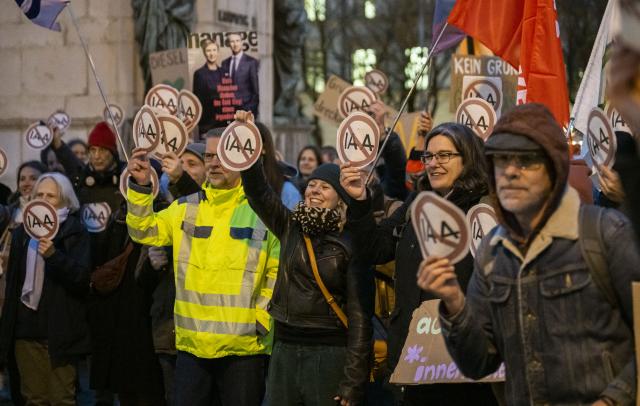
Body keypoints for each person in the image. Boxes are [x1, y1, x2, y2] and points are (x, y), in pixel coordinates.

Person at [417, 103, 640, 405]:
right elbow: (478, 363)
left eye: (525, 161)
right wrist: (454, 303)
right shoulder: (492, 250)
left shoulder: (605, 233)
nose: (509, 172)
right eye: (500, 161)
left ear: (554, 168)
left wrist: (613, 400)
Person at [341, 122, 498, 406]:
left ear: (468, 157)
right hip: (413, 352)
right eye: (429, 156)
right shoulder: (418, 202)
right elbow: (375, 249)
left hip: (463, 357)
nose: (433, 164)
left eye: (444, 156)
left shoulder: (486, 207)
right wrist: (359, 202)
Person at [125, 127, 280, 406]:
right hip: (191, 350)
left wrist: (261, 321)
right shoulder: (186, 207)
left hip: (243, 350)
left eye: (222, 155)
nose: (214, 162)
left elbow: (277, 272)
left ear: (242, 158)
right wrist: (139, 187)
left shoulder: (263, 211)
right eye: (209, 155)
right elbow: (144, 231)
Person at [235, 110, 373, 406]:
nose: (315, 191)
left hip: (328, 355)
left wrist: (352, 381)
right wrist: (249, 141)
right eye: (312, 184)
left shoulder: (351, 243)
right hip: (284, 348)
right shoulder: (290, 226)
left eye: (325, 187)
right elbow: (258, 192)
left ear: (341, 198)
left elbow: (361, 319)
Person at [0, 173, 91, 405]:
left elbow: (81, 278)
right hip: (25, 331)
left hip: (60, 330)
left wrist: (53, 256)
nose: (43, 199)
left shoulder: (74, 231)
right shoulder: (21, 234)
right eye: (39, 195)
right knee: (34, 398)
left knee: (62, 398)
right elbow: (13, 287)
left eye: (50, 195)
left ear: (64, 200)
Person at [221, 32, 259, 117]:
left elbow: (255, 91)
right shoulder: (224, 63)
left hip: (246, 110)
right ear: (228, 44)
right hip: (229, 111)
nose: (235, 44)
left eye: (237, 41)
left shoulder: (251, 62)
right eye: (232, 41)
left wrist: (249, 110)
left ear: (241, 42)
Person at [193, 39, 226, 134]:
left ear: (218, 51)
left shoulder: (224, 73)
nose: (212, 54)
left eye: (214, 50)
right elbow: (198, 101)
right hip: (207, 125)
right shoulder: (199, 74)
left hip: (224, 123)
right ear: (204, 53)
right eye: (208, 50)